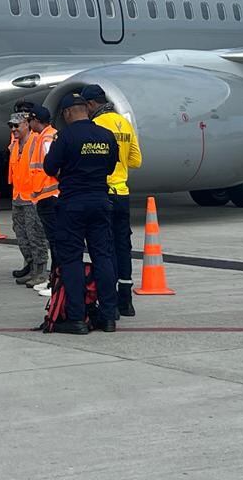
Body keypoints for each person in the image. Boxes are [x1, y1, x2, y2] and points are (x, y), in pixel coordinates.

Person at [42, 93, 119, 334]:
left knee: (72, 259)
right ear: (86, 110)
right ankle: (108, 317)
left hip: (73, 204)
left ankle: (76, 318)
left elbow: (49, 167)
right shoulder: (106, 136)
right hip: (100, 201)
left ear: (67, 113)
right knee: (103, 257)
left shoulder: (65, 137)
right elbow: (110, 167)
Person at [82, 84, 143, 317]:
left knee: (104, 249)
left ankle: (109, 300)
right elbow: (136, 160)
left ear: (90, 104)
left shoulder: (96, 125)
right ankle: (126, 300)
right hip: (122, 194)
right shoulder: (124, 123)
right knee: (123, 246)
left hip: (103, 192)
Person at [7, 111, 47, 288]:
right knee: (21, 235)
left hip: (32, 198)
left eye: (16, 125)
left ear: (27, 125)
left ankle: (41, 272)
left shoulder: (36, 141)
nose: (13, 129)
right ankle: (31, 268)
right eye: (11, 126)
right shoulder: (15, 144)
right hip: (18, 196)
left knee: (35, 235)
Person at [26, 106, 60, 296]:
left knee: (55, 242)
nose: (28, 124)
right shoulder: (46, 136)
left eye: (30, 120)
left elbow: (54, 166)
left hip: (50, 195)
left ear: (36, 121)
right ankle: (53, 280)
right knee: (53, 241)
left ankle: (56, 283)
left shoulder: (47, 139)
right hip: (45, 194)